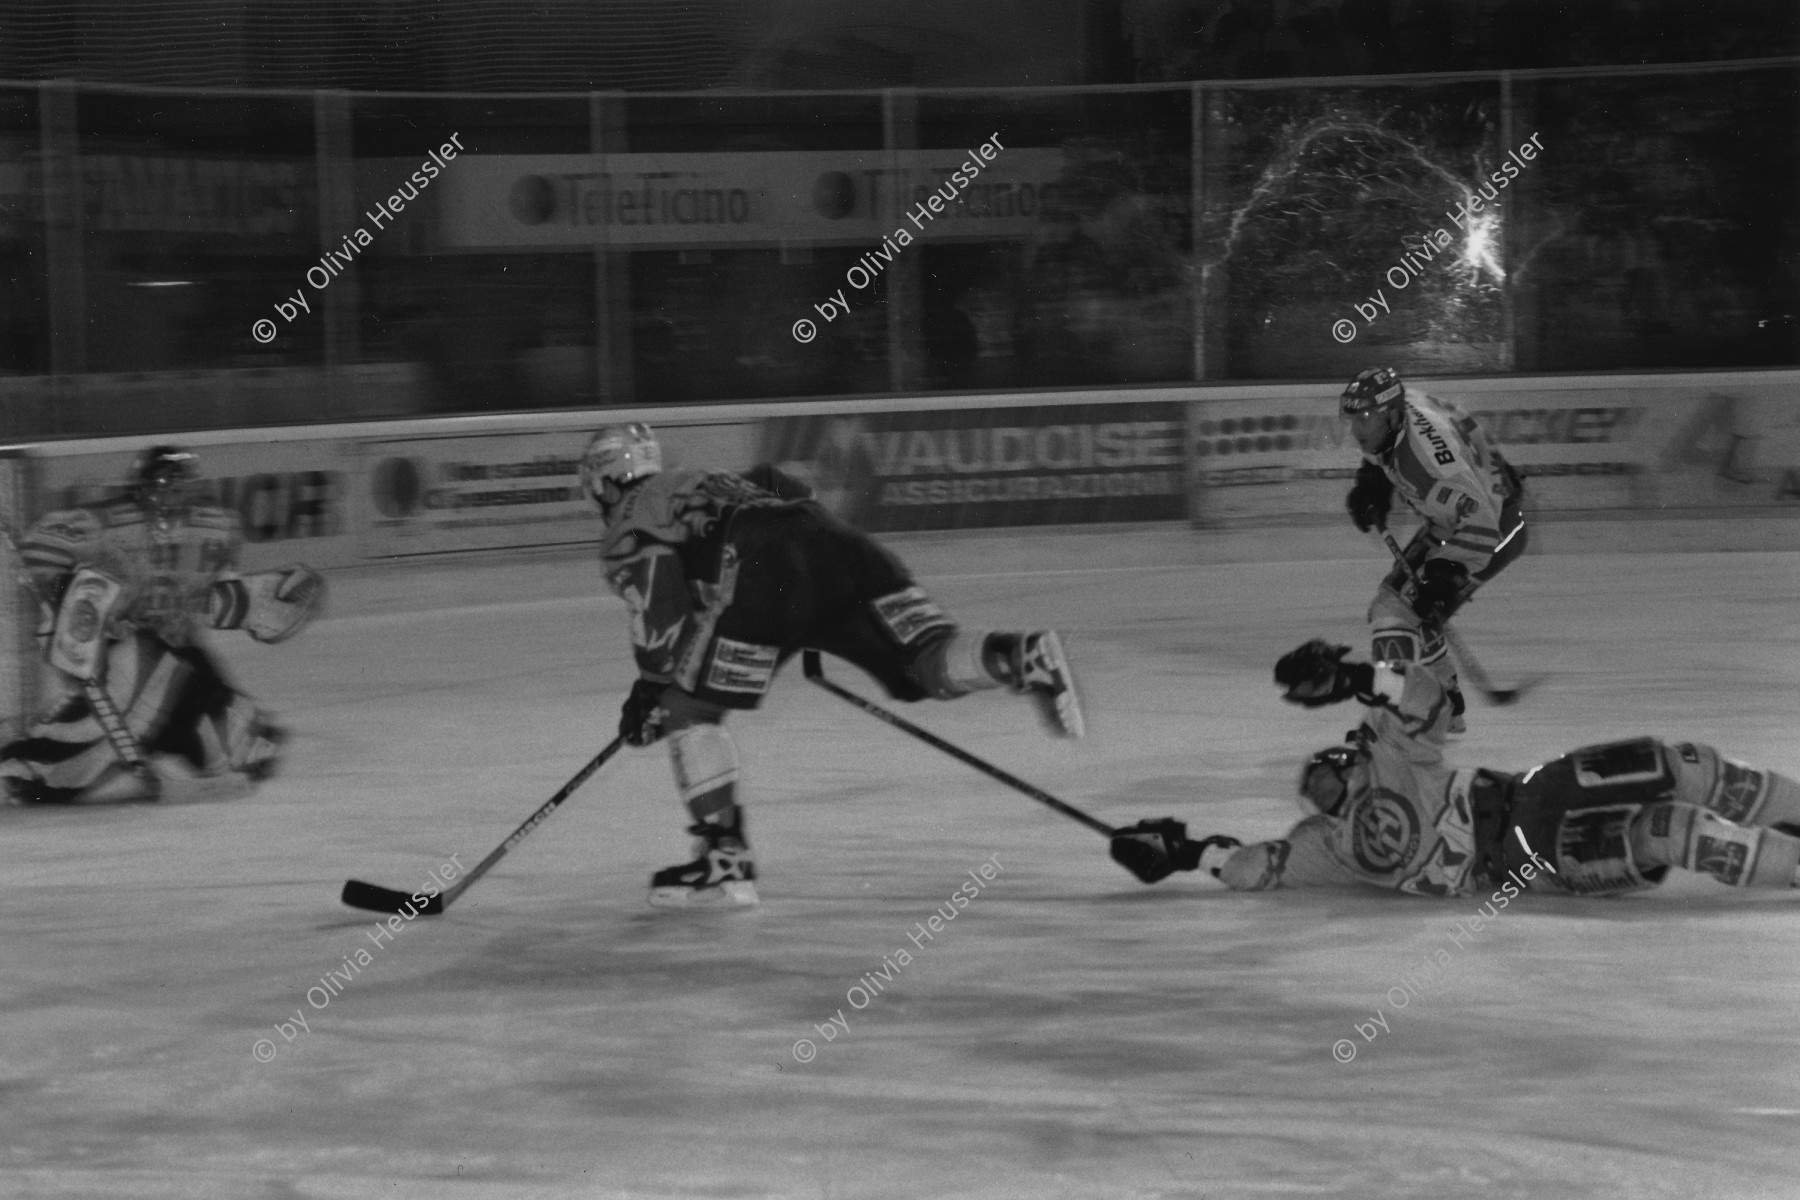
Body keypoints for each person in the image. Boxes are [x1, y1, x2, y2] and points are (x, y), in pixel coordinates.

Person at [581, 422, 1084, 910]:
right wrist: (811, 610)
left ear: (603, 482)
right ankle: (1018, 656)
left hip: (765, 568)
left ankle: (724, 862)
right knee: (923, 665)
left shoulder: (632, 517)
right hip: (843, 547)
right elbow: (782, 485)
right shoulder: (708, 477)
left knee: (689, 712)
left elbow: (661, 623)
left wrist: (651, 693)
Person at [1110, 639, 1800, 898]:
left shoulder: (1389, 751)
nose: (1324, 786)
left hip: (1531, 796)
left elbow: (1432, 698)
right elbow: (1258, 868)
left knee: (1677, 765)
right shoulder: (1327, 848)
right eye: (1315, 790)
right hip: (1521, 863)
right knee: (1670, 829)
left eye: (1328, 770)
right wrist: (1192, 853)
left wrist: (1358, 676)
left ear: (1350, 756)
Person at [0, 446, 324, 804]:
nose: (172, 492)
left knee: (244, 748)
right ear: (142, 484)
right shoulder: (103, 523)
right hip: (119, 651)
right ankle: (31, 764)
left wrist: (258, 600)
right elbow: (39, 554)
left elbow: (205, 599)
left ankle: (155, 740)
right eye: (163, 481)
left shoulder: (210, 529)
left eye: (180, 483)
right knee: (144, 678)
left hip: (180, 651)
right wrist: (69, 609)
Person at [1339, 366, 1525, 731]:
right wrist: (1372, 481)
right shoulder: (1395, 414)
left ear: (1391, 415)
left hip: (1493, 530)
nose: (1356, 429)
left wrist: (1445, 575)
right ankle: (1443, 706)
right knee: (1399, 606)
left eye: (1364, 418)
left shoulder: (1428, 461)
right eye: (1354, 418)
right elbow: (1386, 447)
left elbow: (1482, 525)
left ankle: (1401, 721)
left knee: (1397, 613)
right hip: (1460, 517)